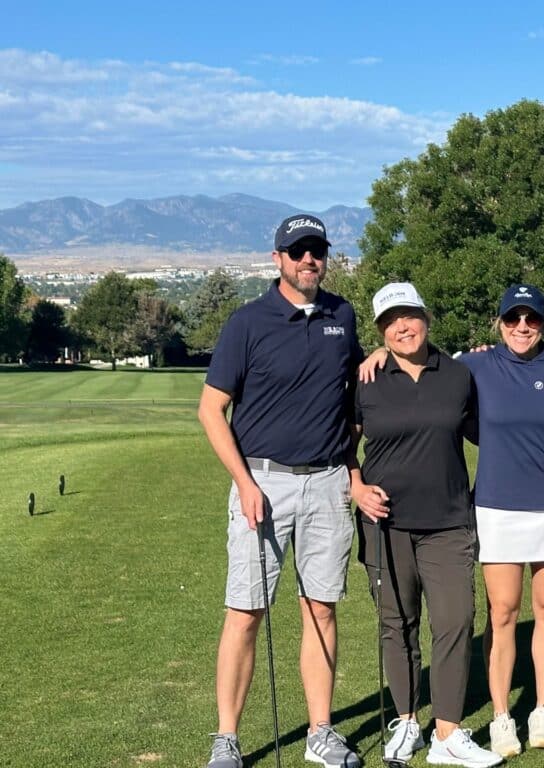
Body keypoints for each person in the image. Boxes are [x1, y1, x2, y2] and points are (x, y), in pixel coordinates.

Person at [198, 214, 364, 768]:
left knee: (321, 609)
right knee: (245, 611)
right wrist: (244, 482)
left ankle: (321, 731)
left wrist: (382, 357)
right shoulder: (248, 323)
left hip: (327, 482)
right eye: (297, 252)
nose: (308, 260)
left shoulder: (344, 315)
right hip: (262, 483)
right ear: (278, 259)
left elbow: (352, 392)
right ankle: (227, 738)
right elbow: (211, 410)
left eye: (316, 250)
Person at [350, 282, 501, 768]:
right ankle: (408, 722)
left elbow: (486, 433)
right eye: (390, 321)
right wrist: (355, 485)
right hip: (385, 524)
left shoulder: (458, 374)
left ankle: (448, 734)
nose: (402, 326)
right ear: (380, 330)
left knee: (455, 621)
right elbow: (342, 443)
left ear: (425, 317)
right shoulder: (366, 379)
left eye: (409, 315)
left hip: (449, 523)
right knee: (397, 624)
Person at [458, 284, 544, 757]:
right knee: (504, 613)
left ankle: (542, 712)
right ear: (499, 323)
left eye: (530, 319)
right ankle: (500, 718)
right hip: (496, 506)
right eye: (512, 319)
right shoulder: (474, 365)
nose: (521, 327)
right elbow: (425, 374)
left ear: (542, 323)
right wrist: (374, 360)